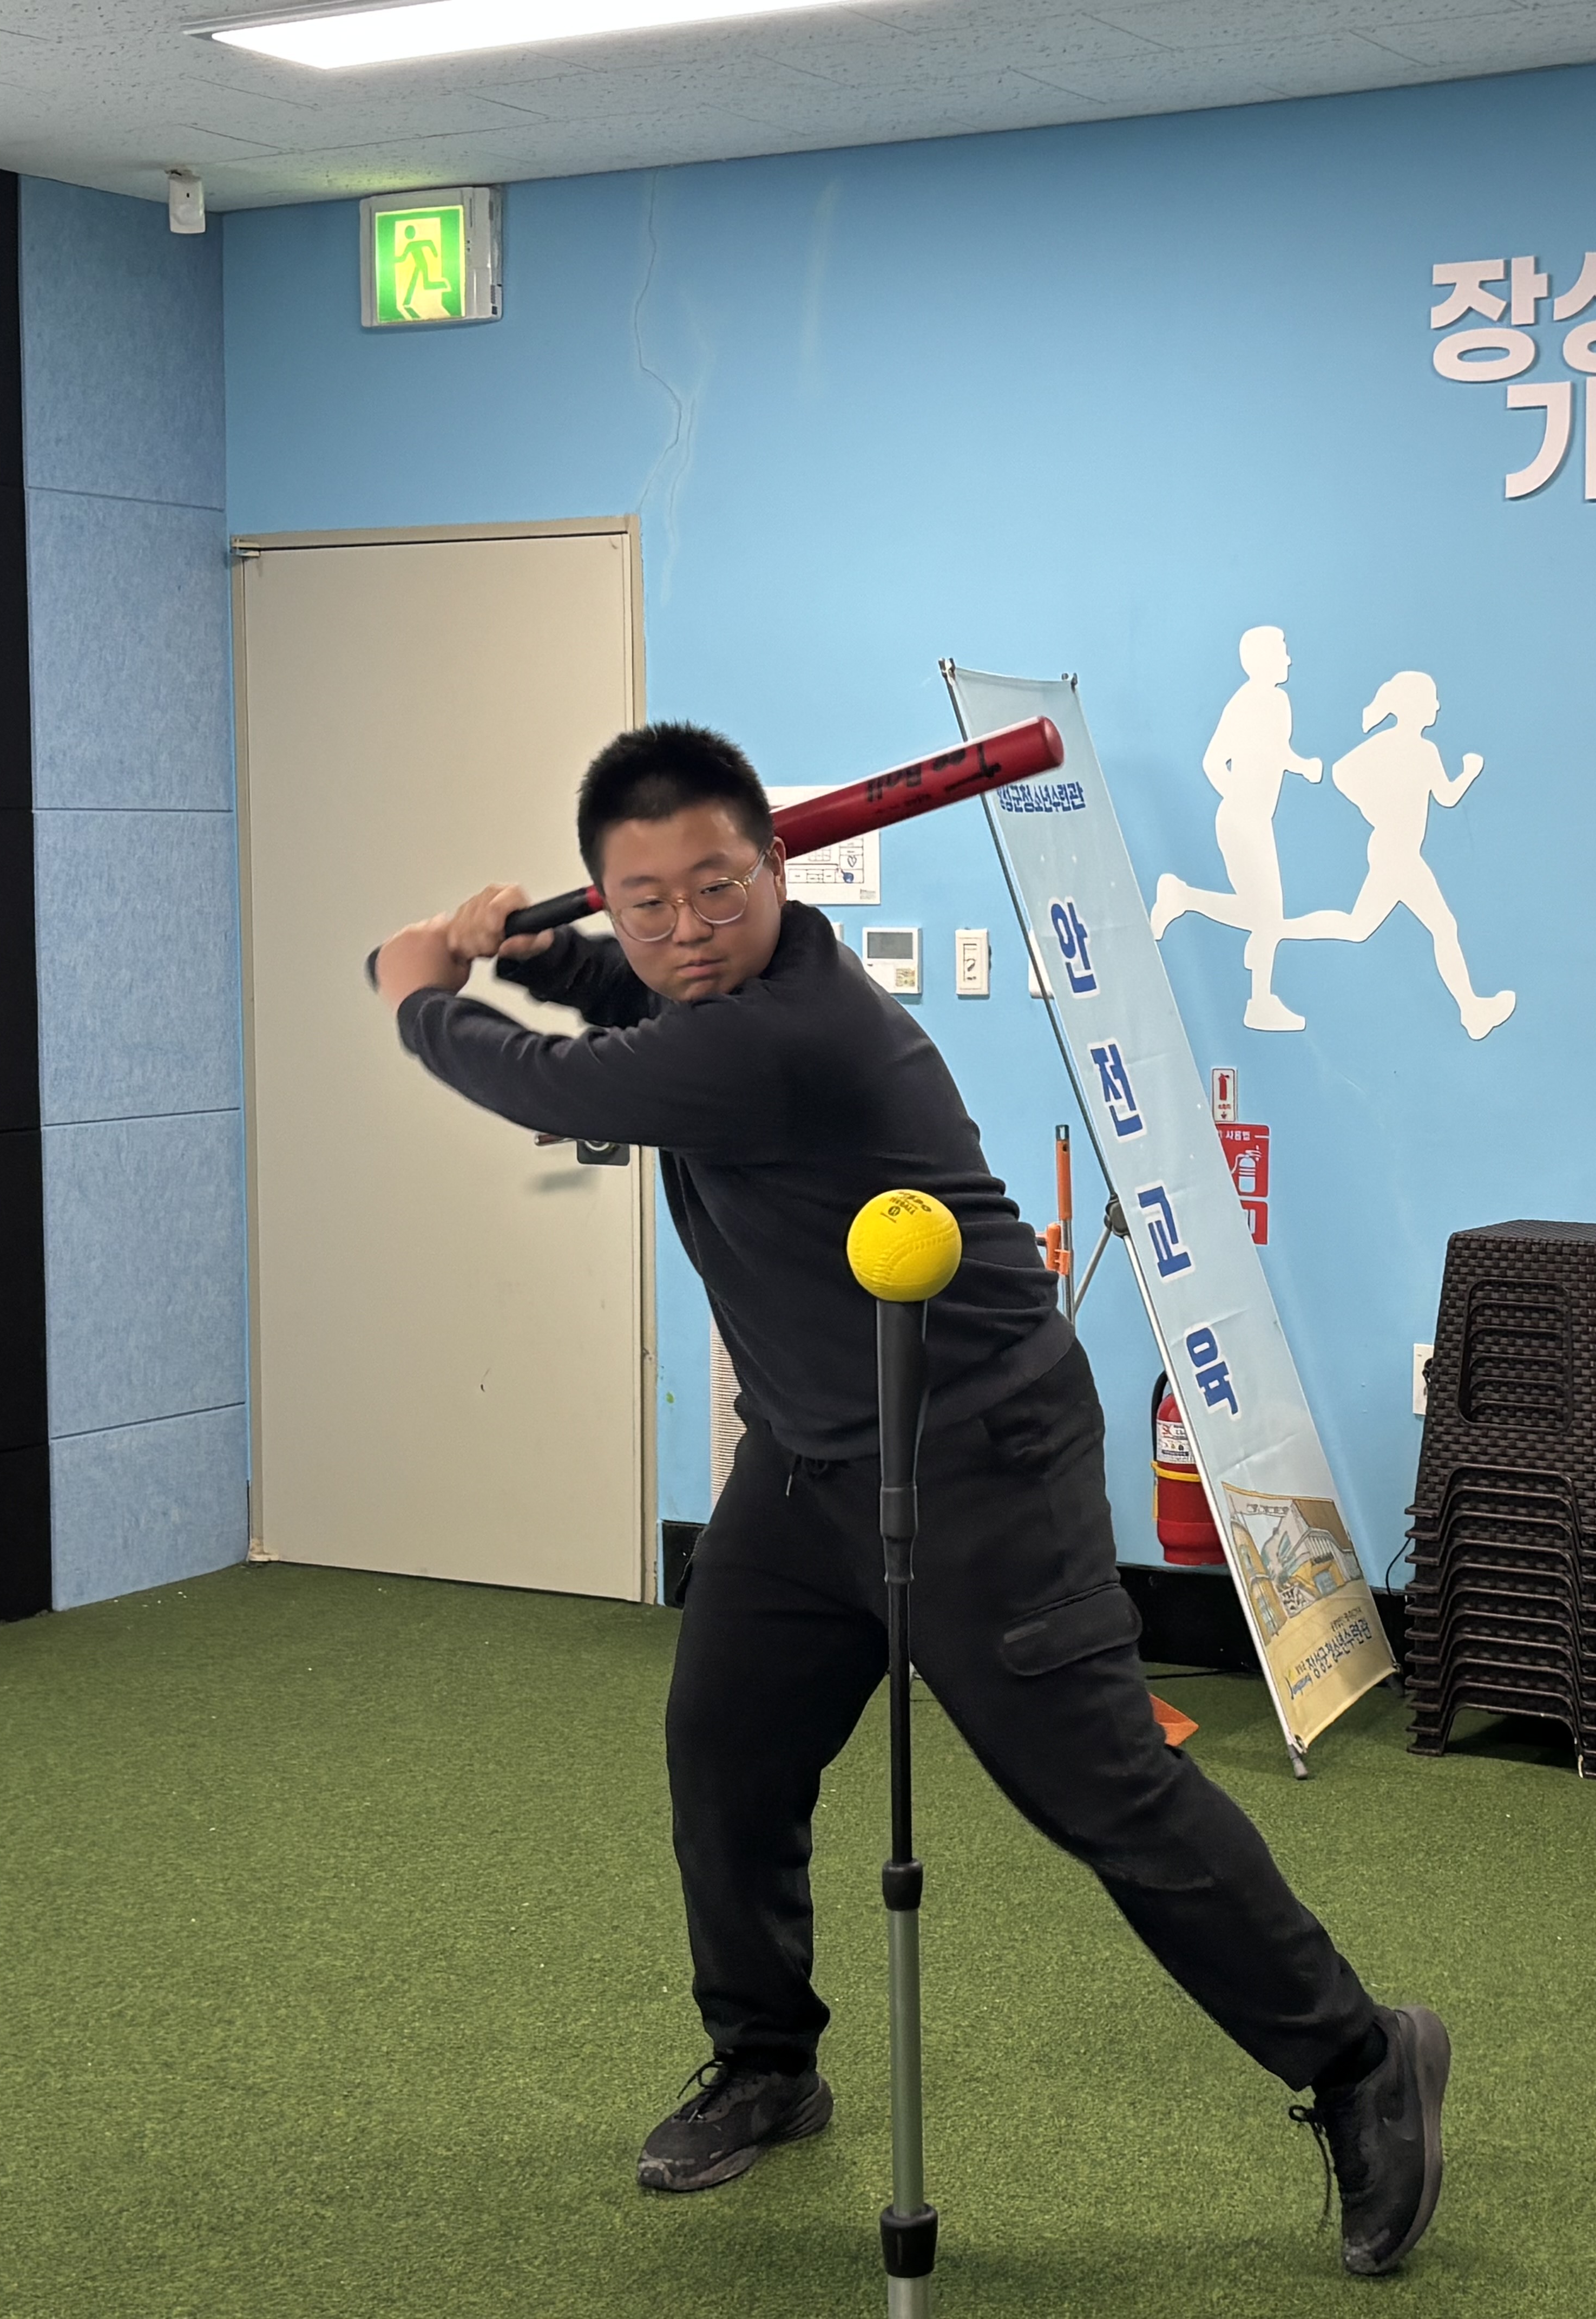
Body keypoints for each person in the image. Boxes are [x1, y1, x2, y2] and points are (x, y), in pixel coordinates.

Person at [369, 722, 1449, 2276]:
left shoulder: (792, 1035)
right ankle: (767, 2061)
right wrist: (543, 955)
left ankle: (1359, 2058)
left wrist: (423, 990)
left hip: (979, 1454)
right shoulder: (720, 997)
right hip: (808, 1459)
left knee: (1101, 1789)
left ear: (778, 867)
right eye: (644, 901)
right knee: (726, 1752)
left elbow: (549, 1070)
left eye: (716, 889)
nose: (686, 928)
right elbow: (632, 1001)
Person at [1283, 670, 1516, 1040]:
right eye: (1431, 700)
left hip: (1399, 852)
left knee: (1358, 927)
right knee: (1442, 927)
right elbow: (1342, 772)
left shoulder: (1427, 751)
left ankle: (1278, 930)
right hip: (1396, 853)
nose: (1437, 706)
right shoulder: (1391, 745)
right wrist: (1373, 806)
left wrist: (1468, 774)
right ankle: (1472, 1011)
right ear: (1414, 706)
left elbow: (1446, 797)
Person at [1151, 626, 1327, 1031]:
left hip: (1254, 821)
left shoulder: (1279, 702)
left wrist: (1302, 766)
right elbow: (1213, 762)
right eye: (1282, 652)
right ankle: (1259, 1002)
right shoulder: (1245, 704)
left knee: (1262, 914)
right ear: (1262, 660)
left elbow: (1276, 751)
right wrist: (1240, 798)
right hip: (1241, 823)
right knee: (1268, 915)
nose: (1289, 660)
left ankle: (1184, 897)